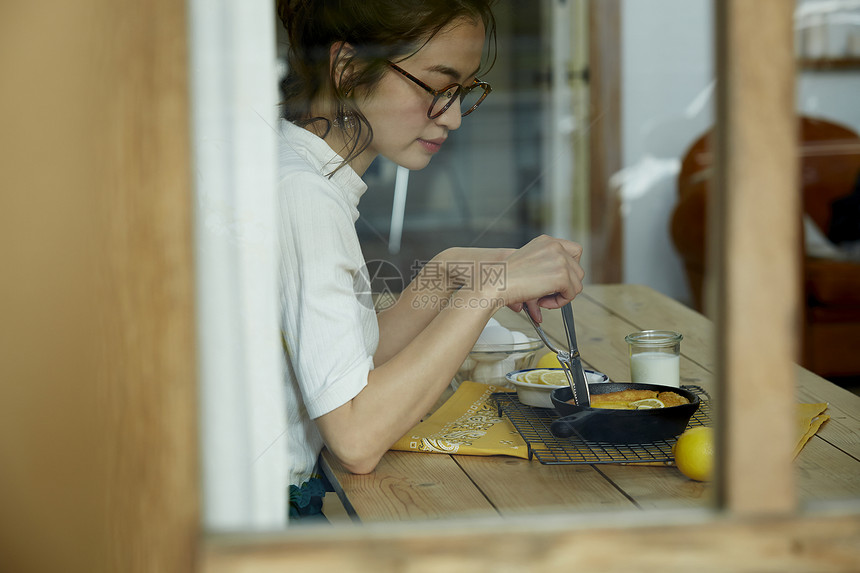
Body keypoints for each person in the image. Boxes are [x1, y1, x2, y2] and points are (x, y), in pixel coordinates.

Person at [276, 0, 585, 519]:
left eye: (462, 92)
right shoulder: (303, 195)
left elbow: (343, 373)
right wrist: (486, 292)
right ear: (348, 68)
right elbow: (355, 438)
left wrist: (447, 272)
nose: (455, 117)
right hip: (262, 525)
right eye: (436, 87)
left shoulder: (296, 169)